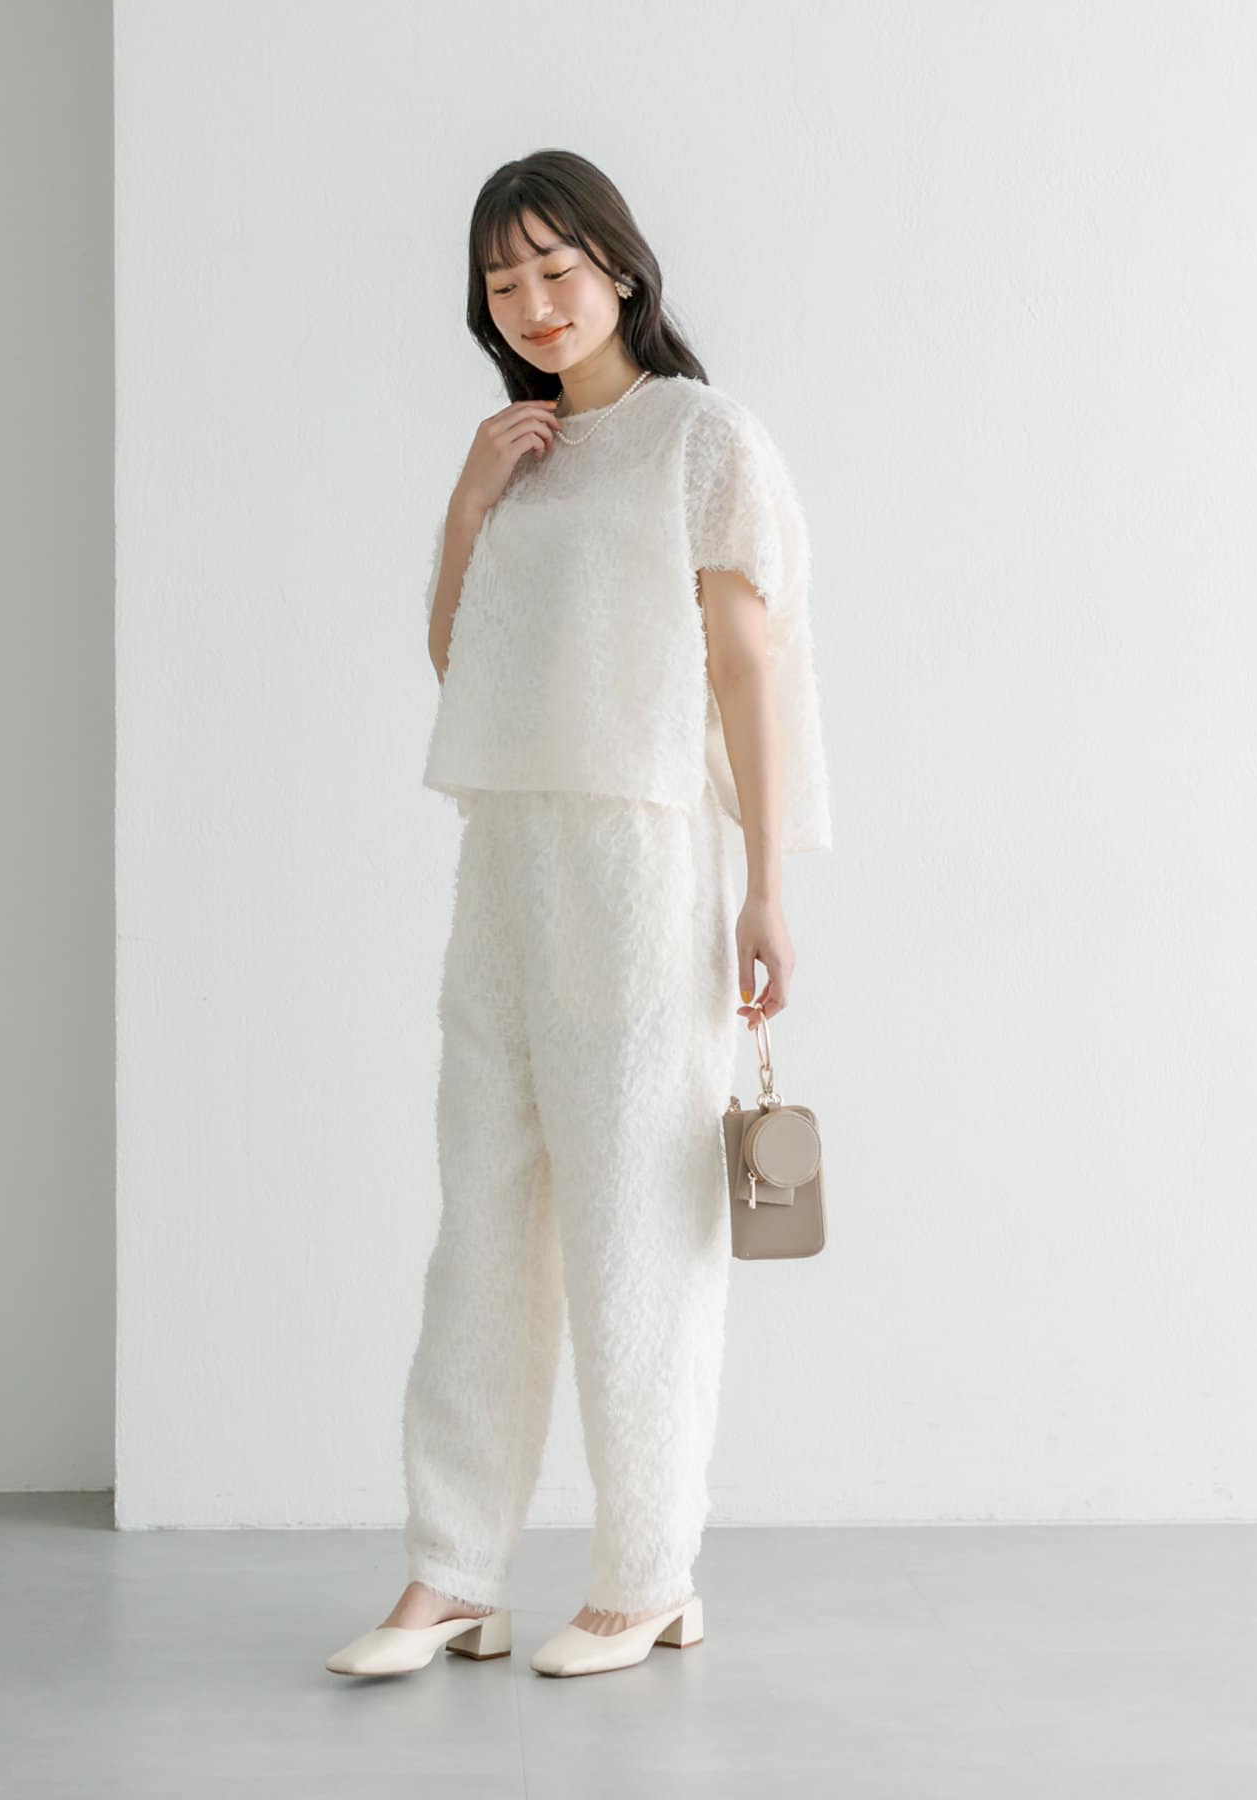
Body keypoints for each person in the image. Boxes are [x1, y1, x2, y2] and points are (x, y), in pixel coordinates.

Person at [326, 149, 832, 1681]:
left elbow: (746, 668)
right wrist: (471, 500)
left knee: (636, 1222)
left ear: (620, 267)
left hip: (642, 861)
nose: (534, 303)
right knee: (482, 1213)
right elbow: (459, 661)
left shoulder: (701, 436)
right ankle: (453, 1570)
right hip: (508, 859)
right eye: (503, 282)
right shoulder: (520, 453)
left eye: (556, 269)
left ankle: (646, 1573)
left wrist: (766, 886)